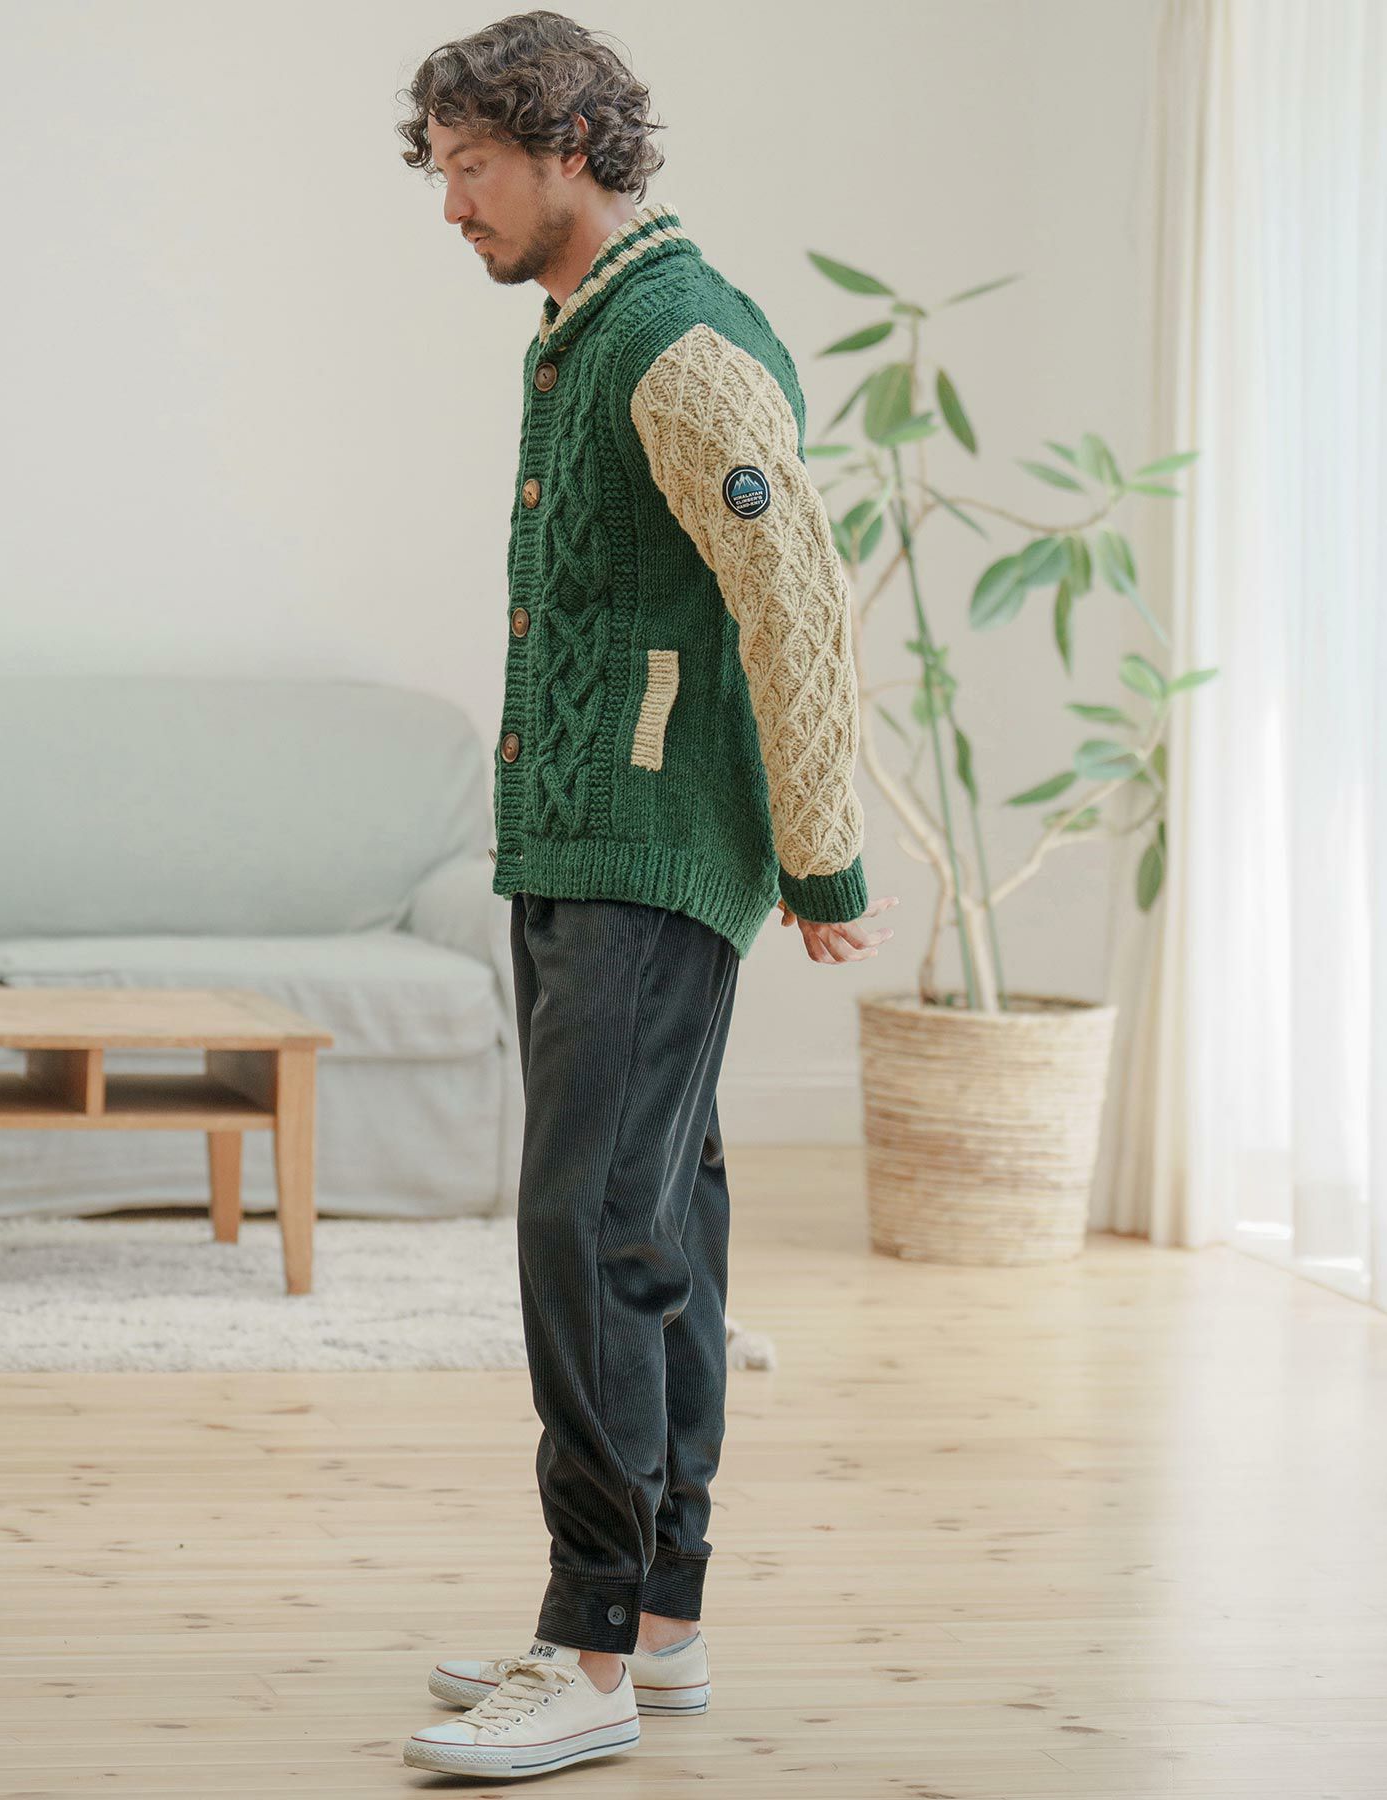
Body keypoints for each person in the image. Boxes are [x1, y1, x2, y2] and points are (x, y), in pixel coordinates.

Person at [395, 10, 897, 1780]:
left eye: (472, 166)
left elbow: (797, 602)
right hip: (584, 844)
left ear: (571, 147)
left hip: (651, 853)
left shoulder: (679, 346)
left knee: (588, 1231)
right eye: (439, 169)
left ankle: (590, 1650)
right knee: (652, 1221)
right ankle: (654, 1630)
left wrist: (823, 851)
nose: (451, 204)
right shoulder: (585, 329)